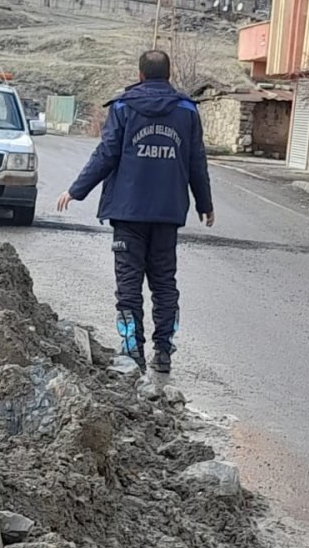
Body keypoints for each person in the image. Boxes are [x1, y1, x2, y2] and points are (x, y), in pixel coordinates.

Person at [57, 50, 214, 375]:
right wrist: (204, 204)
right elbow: (196, 161)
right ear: (168, 75)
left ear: (140, 74)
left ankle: (132, 352)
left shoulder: (125, 107)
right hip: (167, 213)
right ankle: (164, 353)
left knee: (129, 286)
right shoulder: (186, 110)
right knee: (164, 284)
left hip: (128, 214)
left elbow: (107, 153)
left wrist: (76, 190)